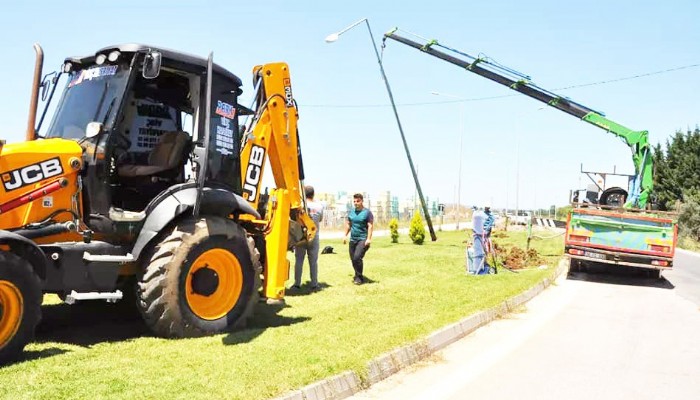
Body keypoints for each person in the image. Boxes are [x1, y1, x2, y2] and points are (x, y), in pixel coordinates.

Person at [292, 185, 324, 291]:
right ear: (313, 194)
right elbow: (319, 220)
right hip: (314, 236)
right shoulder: (319, 206)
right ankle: (314, 284)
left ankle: (297, 284)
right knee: (313, 261)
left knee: (299, 260)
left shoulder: (299, 206)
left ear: (304, 195)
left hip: (301, 236)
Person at [343, 193, 374, 285]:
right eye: (354, 201)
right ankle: (357, 275)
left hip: (362, 239)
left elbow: (370, 226)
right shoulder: (351, 212)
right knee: (353, 259)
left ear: (362, 201)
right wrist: (345, 235)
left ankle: (359, 278)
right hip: (353, 239)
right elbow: (349, 224)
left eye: (357, 201)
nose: (356, 203)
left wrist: (368, 239)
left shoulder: (367, 212)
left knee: (357, 257)